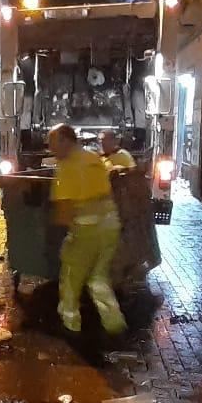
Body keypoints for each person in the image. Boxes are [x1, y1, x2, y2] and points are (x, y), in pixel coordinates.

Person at [48, 124, 127, 335]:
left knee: (71, 278)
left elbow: (64, 212)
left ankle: (70, 324)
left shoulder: (66, 167)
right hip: (111, 227)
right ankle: (114, 323)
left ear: (66, 140)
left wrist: (60, 233)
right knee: (98, 277)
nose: (51, 149)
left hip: (86, 230)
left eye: (53, 143)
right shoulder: (94, 159)